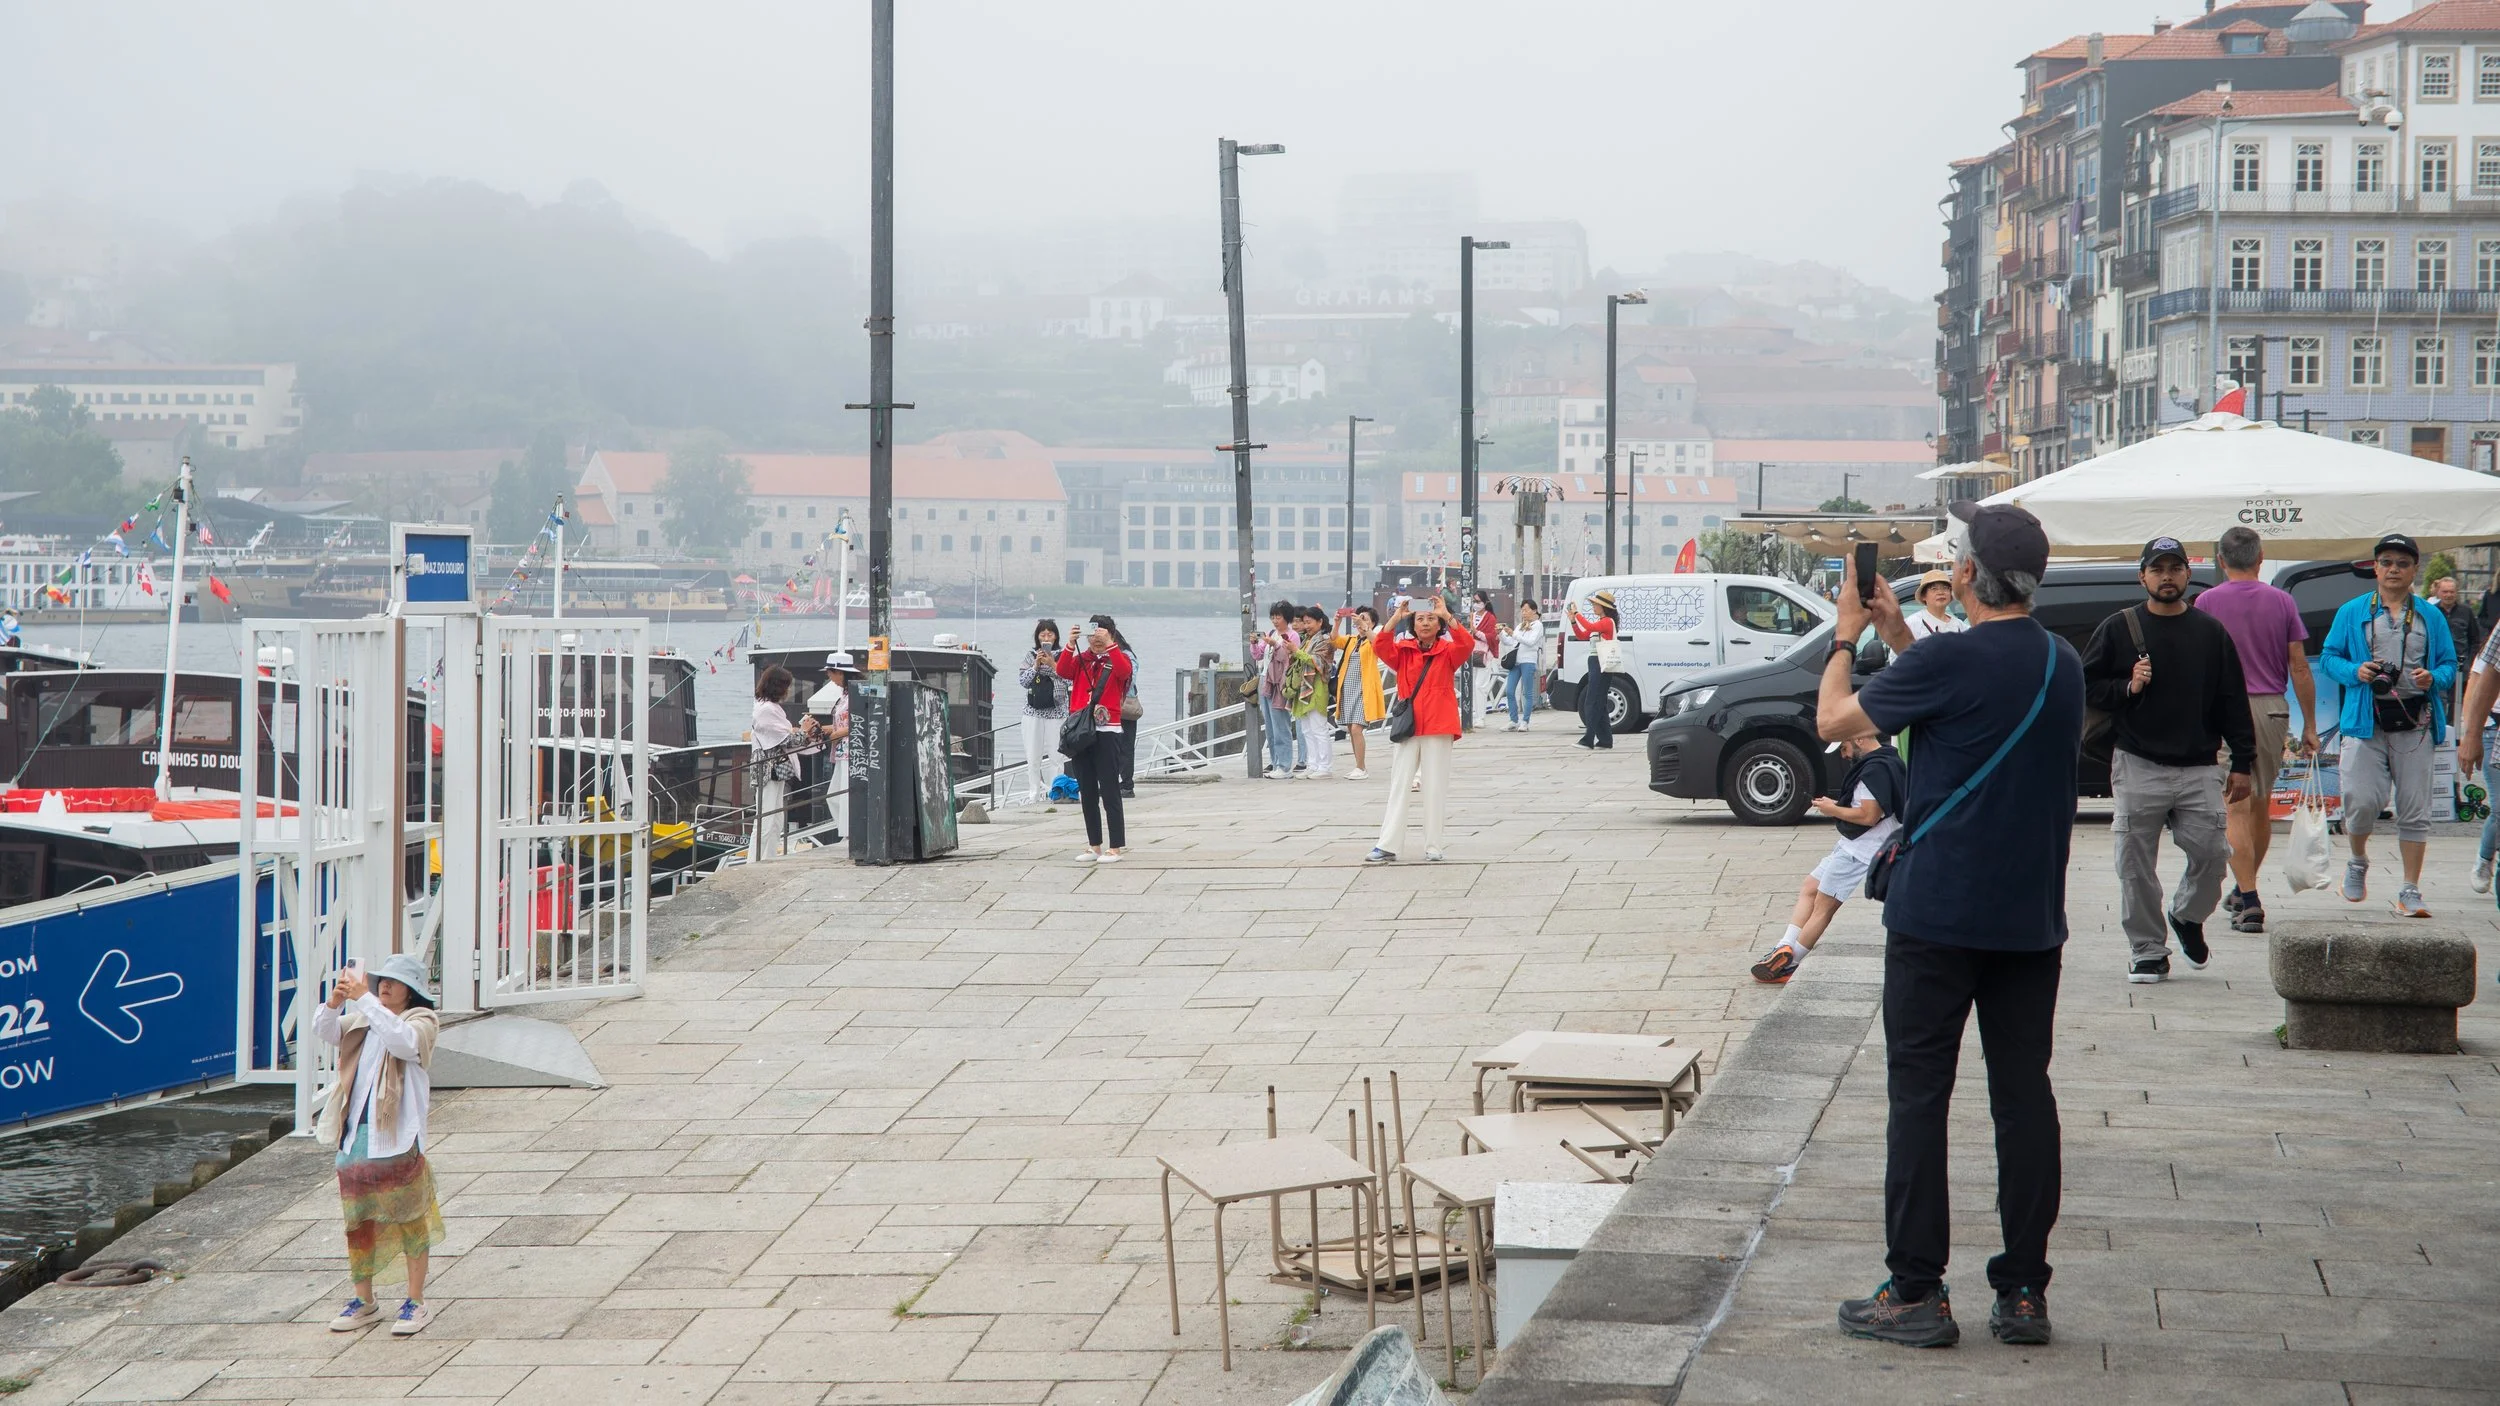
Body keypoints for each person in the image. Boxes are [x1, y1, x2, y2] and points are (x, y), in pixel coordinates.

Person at [1814, 502, 2082, 1351]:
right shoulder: (2061, 663)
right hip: (2029, 917)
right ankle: (2024, 1294)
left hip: (1937, 918)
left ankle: (1918, 1291)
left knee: (1920, 1099)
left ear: (1966, 576)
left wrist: (1848, 635)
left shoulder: (1954, 662)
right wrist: (1903, 633)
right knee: (2023, 1099)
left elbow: (1835, 722)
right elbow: (1969, 696)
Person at [2081, 536, 2256, 983]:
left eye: (2174, 568)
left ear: (2186, 575)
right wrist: (2128, 687)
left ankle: (2186, 914)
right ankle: (2147, 949)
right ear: (2142, 577)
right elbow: (2085, 686)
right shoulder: (2118, 628)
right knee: (2134, 862)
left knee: (2214, 853)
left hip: (2199, 764)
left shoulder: (2210, 632)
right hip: (2138, 762)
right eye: (2157, 569)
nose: (2166, 576)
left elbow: (2232, 699)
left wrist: (2242, 761)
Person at [2320, 533, 2456, 917]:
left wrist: (2435, 678)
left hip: (2416, 722)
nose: (2394, 569)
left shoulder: (2431, 616)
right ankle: (2358, 859)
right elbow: (2330, 657)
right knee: (2360, 803)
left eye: (2402, 563)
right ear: (2375, 568)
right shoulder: (2352, 611)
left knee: (2415, 809)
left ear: (2415, 570)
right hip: (2367, 721)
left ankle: (2410, 889)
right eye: (2387, 562)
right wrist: (2355, 670)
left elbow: (2449, 664)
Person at [2193, 527, 2317, 933]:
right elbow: (2299, 666)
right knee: (2260, 801)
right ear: (2260, 557)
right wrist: (2311, 724)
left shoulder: (2207, 601)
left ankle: (2248, 898)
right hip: (2271, 710)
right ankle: (2247, 887)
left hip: (2222, 708)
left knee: (2233, 804)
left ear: (2221, 560)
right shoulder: (2282, 601)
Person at [317, 953, 444, 1338]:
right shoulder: (364, 1020)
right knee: (359, 1222)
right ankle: (364, 1300)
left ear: (412, 991)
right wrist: (335, 1002)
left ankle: (416, 1301)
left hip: (399, 1138)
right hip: (356, 1136)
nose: (384, 986)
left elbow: (403, 1044)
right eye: (380, 980)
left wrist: (366, 1001)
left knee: (411, 1219)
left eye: (394, 982)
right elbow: (325, 1031)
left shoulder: (421, 1022)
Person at [1749, 730, 1905, 984]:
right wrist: (1835, 805)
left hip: (1860, 850)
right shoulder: (1890, 761)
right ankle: (1784, 947)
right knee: (1810, 886)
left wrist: (1833, 809)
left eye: (1844, 747)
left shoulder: (1873, 771)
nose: (1843, 755)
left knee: (1824, 906)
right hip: (1853, 845)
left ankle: (1790, 963)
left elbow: (1869, 816)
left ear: (1859, 739)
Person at [1364, 597, 1473, 864]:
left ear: (1439, 625)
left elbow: (1467, 644)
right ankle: (1388, 844)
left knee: (1435, 788)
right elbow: (1379, 644)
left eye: (1430, 619)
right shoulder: (1403, 651)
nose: (1425, 623)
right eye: (1420, 619)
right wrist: (1396, 616)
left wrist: (1447, 614)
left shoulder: (1448, 652)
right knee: (1399, 784)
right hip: (1409, 726)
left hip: (1439, 724)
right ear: (1413, 624)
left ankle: (1433, 846)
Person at [1058, 615, 1134, 863]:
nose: (1096, 640)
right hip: (1081, 730)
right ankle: (1095, 845)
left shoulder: (1118, 659)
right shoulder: (1083, 659)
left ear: (1111, 634)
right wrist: (1070, 644)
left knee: (1110, 788)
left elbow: (1124, 672)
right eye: (1093, 635)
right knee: (1087, 790)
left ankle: (1116, 846)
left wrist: (1110, 644)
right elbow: (1062, 671)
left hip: (1107, 729)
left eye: (1101, 635)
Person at [748, 666, 821, 859]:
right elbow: (786, 740)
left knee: (775, 820)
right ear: (778, 687)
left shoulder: (767, 708)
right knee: (765, 820)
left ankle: (767, 859)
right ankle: (754, 863)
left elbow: (783, 736)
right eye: (786, 686)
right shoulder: (766, 711)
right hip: (768, 770)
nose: (788, 691)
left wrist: (802, 732)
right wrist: (804, 731)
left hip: (775, 769)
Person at [1016, 620, 1069, 804]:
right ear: (1037, 637)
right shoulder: (1031, 656)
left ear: (1056, 636)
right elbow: (1023, 681)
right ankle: (1034, 793)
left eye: (1050, 634)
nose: (1046, 638)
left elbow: (1070, 681)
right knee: (1033, 755)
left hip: (1057, 711)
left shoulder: (1064, 656)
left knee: (1057, 756)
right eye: (1043, 634)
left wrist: (1053, 665)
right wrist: (1036, 666)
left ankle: (1056, 791)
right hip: (1033, 711)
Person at [1332, 605, 1386, 779]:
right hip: (1348, 688)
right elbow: (1334, 640)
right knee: (1350, 728)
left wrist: (1365, 627)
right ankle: (1358, 766)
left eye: (1365, 619)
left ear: (1372, 623)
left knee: (1356, 728)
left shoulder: (1372, 640)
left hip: (1364, 689)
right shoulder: (1351, 640)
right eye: (1359, 618)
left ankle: (1361, 767)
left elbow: (1378, 643)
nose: (1360, 621)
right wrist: (1337, 623)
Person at [1254, 601, 1303, 779]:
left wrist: (1275, 645)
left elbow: (1287, 658)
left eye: (1278, 617)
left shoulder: (1293, 636)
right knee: (1270, 727)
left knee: (1281, 726)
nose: (1275, 620)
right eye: (1273, 617)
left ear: (1286, 618)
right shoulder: (1272, 633)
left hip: (1281, 684)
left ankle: (1284, 766)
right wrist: (1255, 643)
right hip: (1266, 681)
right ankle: (1275, 763)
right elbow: (1258, 655)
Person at [1287, 606, 1336, 777]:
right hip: (1304, 686)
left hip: (1317, 687)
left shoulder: (1325, 640)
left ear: (1320, 622)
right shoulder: (1307, 639)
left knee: (1319, 728)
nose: (1306, 626)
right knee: (1307, 729)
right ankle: (1313, 764)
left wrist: (1296, 652)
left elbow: (1319, 662)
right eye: (1304, 622)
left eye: (1309, 622)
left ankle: (1325, 766)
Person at [813, 651, 858, 839]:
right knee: (835, 795)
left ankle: (849, 833)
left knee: (844, 794)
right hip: (841, 750)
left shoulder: (855, 693)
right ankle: (847, 831)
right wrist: (822, 729)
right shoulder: (844, 696)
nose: (829, 676)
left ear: (840, 672)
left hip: (850, 751)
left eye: (830, 672)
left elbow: (856, 722)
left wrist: (834, 735)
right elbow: (842, 724)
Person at [1573, 591, 1618, 750]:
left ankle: (1589, 738)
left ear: (1603, 607)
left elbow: (1589, 627)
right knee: (1599, 702)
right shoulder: (1601, 623)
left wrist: (1577, 614)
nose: (1593, 607)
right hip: (1595, 662)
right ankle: (1605, 740)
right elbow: (1582, 635)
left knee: (1592, 701)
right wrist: (1573, 621)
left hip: (1600, 663)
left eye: (1595, 604)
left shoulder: (1606, 622)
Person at [2434, 576, 2480, 715]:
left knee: (2457, 706)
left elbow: (2475, 639)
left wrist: (2469, 663)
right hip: (2438, 666)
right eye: (2445, 591)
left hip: (2460, 667)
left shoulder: (2466, 612)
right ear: (2438, 592)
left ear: (2457, 592)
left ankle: (2454, 734)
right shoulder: (2432, 612)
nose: (2448, 595)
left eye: (2452, 592)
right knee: (2439, 702)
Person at [1502, 601, 1547, 731]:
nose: (1524, 613)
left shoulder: (1538, 625)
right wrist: (1502, 634)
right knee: (1510, 691)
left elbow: (1531, 642)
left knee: (1527, 692)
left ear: (1534, 610)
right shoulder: (1521, 625)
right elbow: (1510, 641)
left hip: (1528, 661)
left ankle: (1525, 721)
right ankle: (1513, 720)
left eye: (1526, 610)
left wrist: (1513, 634)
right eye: (1522, 610)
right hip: (1516, 661)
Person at [1902, 569, 1967, 643]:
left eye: (1945, 588)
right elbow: (1898, 653)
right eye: (1934, 589)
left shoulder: (1959, 626)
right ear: (1923, 596)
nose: (1940, 592)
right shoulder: (1913, 623)